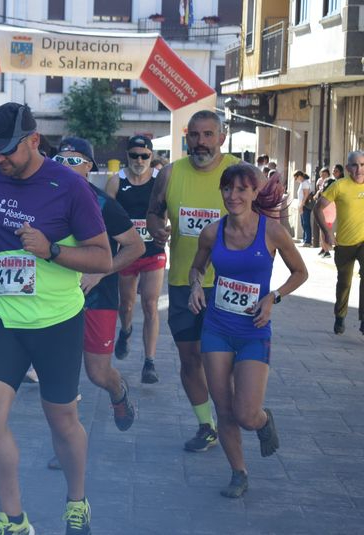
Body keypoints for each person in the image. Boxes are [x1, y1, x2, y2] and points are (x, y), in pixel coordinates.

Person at [0, 103, 112, 534]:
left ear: (33, 140)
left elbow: (102, 256)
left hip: (57, 321)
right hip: (4, 316)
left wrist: (51, 250)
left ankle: (77, 499)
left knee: (62, 419)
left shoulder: (70, 187)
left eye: (7, 150)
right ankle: (13, 518)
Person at [188, 163, 307, 498]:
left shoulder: (272, 231)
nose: (233, 195)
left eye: (241, 189)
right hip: (216, 328)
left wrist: (274, 297)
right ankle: (238, 472)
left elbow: (300, 272)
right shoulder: (212, 232)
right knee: (223, 409)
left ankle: (262, 420)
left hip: (254, 331)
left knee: (245, 413)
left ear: (255, 193)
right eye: (228, 189)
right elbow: (196, 267)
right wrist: (196, 285)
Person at [47, 137, 144, 475]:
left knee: (98, 373)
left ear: (90, 167)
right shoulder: (45, 200)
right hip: (57, 299)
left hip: (98, 298)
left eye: (75, 161)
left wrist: (101, 273)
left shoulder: (104, 204)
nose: (66, 168)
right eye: (60, 160)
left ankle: (119, 392)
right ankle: (66, 446)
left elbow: (135, 248)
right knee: (63, 375)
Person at [147, 109, 240, 452]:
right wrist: (156, 227)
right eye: (194, 135)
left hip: (229, 284)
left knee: (219, 360)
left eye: (207, 135)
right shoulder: (171, 173)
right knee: (190, 359)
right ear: (187, 138)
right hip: (184, 282)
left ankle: (232, 415)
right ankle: (207, 425)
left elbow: (265, 224)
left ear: (221, 138)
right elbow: (153, 211)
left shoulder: (239, 174)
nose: (200, 142)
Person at [106, 135, 166, 384]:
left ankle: (149, 362)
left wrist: (165, 229)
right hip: (127, 253)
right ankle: (126, 330)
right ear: (127, 156)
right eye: (134, 155)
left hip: (153, 251)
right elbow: (105, 216)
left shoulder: (160, 181)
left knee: (151, 304)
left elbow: (171, 207)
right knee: (127, 305)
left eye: (145, 156)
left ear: (151, 157)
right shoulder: (115, 182)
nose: (139, 160)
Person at [314, 150, 364, 335]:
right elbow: (318, 208)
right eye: (354, 165)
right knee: (344, 282)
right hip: (344, 243)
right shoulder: (339, 186)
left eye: (362, 164)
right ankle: (340, 315)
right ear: (348, 167)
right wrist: (327, 232)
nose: (359, 169)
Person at [315, 168, 333, 258]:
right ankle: (325, 248)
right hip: (328, 213)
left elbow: (317, 197)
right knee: (325, 231)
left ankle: (327, 250)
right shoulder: (331, 191)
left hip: (325, 213)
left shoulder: (324, 192)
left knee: (323, 231)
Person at [295, 171, 313, 247]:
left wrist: (301, 205)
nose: (296, 180)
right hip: (303, 205)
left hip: (305, 206)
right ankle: (305, 239)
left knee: (306, 223)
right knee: (303, 223)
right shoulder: (303, 183)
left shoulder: (305, 183)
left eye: (296, 178)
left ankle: (307, 241)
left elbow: (306, 195)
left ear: (299, 176)